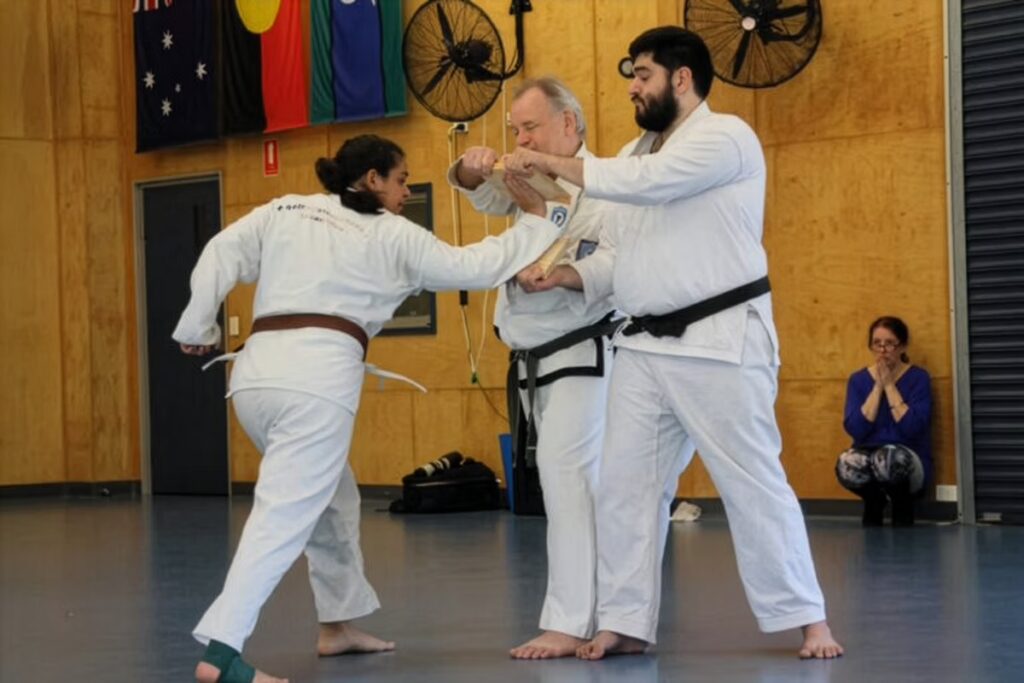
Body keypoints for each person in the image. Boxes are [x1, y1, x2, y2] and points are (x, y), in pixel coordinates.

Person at [504, 27, 843, 660]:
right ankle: (627, 620)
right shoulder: (633, 152)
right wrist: (565, 275)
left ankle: (809, 619)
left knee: (751, 483)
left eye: (644, 76)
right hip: (642, 347)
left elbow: (648, 185)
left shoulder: (725, 138)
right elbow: (617, 257)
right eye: (632, 76)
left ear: (680, 80)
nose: (633, 87)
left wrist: (552, 163)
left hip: (719, 340)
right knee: (626, 490)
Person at [173, 134, 564, 683]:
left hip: (256, 378)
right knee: (283, 514)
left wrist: (197, 324)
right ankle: (221, 655)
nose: (406, 192)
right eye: (402, 180)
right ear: (373, 179)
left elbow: (220, 251)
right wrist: (539, 221)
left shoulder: (286, 208)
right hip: (315, 382)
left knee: (332, 495)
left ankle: (337, 626)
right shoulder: (393, 234)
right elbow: (475, 267)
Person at [448, 77, 618, 659]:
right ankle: (606, 615)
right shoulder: (528, 171)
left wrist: (564, 275)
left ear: (569, 124)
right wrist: (470, 168)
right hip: (532, 356)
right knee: (568, 481)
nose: (520, 139)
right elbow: (483, 190)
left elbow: (621, 263)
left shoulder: (609, 184)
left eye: (531, 127)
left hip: (582, 348)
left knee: (568, 477)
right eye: (514, 129)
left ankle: (572, 621)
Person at [837, 316, 932, 526]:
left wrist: (889, 386)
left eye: (889, 344)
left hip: (907, 456)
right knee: (846, 463)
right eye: (877, 344)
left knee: (888, 458)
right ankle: (874, 500)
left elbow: (912, 427)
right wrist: (877, 387)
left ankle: (902, 506)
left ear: (902, 346)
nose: (883, 350)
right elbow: (855, 429)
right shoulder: (858, 380)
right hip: (869, 453)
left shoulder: (919, 378)